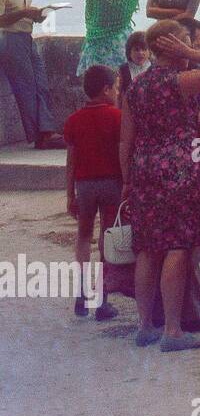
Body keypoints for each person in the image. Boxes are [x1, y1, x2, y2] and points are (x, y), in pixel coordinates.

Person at [120, 19, 200, 351]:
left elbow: (125, 140)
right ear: (172, 45)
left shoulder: (136, 87)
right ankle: (172, 330)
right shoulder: (180, 83)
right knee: (177, 247)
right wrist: (189, 53)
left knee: (147, 248)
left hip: (144, 169)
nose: (191, 47)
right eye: (185, 42)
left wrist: (127, 180)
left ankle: (145, 325)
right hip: (179, 170)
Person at [147, 17, 200, 334]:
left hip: (157, 169)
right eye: (194, 44)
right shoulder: (182, 81)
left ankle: (163, 315)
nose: (197, 50)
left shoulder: (145, 84)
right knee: (187, 246)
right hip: (188, 170)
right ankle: (182, 316)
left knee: (162, 247)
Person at [63, 64, 123, 321]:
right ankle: (102, 299)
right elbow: (123, 154)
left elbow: (71, 160)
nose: (118, 92)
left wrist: (69, 195)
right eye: (117, 87)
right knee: (105, 239)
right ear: (107, 89)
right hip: (111, 183)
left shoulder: (74, 120)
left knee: (83, 238)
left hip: (84, 185)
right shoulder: (117, 117)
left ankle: (80, 294)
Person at [0, 0, 64, 149]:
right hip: (10, 40)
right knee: (27, 88)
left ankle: (47, 131)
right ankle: (40, 135)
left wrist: (35, 16)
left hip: (26, 38)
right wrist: (24, 13)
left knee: (41, 83)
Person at [117, 31, 151, 96]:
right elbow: (118, 95)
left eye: (144, 49)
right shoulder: (123, 69)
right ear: (129, 52)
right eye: (136, 49)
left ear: (149, 51)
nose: (141, 53)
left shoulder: (154, 67)